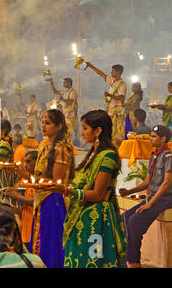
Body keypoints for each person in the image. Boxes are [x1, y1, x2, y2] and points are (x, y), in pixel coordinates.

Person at [44, 110, 127, 268]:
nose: (81, 133)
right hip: (81, 215)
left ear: (98, 131)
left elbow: (97, 194)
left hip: (96, 220)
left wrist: (66, 190)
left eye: (85, 128)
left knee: (91, 262)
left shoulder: (108, 156)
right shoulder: (93, 153)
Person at [12, 109, 74, 268]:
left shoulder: (62, 149)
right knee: (40, 239)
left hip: (54, 199)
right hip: (42, 199)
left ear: (59, 126)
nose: (43, 126)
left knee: (50, 242)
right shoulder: (45, 146)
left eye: (48, 123)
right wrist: (25, 175)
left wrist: (26, 176)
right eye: (43, 122)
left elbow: (54, 182)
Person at [119, 125, 171, 268]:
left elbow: (166, 183)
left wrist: (149, 203)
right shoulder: (154, 155)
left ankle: (134, 262)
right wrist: (128, 192)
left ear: (163, 139)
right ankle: (128, 257)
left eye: (153, 136)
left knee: (135, 222)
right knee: (125, 218)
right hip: (154, 196)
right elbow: (147, 182)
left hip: (165, 198)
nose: (150, 139)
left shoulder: (168, 156)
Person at [85, 62, 127, 147]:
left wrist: (109, 95)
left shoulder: (122, 84)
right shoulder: (113, 82)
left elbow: (122, 98)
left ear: (118, 72)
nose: (111, 72)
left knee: (115, 132)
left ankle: (115, 148)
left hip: (115, 112)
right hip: (110, 111)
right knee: (109, 130)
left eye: (113, 71)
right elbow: (102, 74)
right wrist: (91, 66)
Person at [3, 150, 37, 245]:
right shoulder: (28, 179)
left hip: (34, 224)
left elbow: (37, 201)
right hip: (26, 221)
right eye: (25, 162)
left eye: (29, 162)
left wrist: (17, 196)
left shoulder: (40, 182)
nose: (25, 165)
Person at [48, 77, 78, 143]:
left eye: (64, 82)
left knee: (69, 131)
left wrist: (62, 99)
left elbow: (70, 102)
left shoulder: (73, 92)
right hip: (64, 114)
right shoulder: (64, 92)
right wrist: (51, 83)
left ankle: (70, 145)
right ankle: (65, 143)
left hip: (70, 114)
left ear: (69, 83)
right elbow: (55, 92)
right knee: (64, 131)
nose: (63, 84)